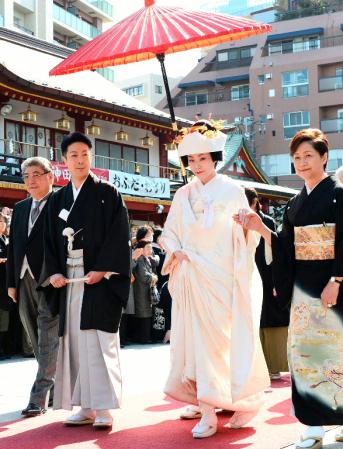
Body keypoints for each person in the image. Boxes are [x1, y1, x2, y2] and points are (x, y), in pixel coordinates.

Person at [234, 128, 343, 449]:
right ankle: (313, 425)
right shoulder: (295, 203)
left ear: (324, 157)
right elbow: (285, 246)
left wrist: (337, 280)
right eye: (296, 157)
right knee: (304, 355)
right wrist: (261, 228)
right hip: (302, 288)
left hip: (333, 284)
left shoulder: (339, 194)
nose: (302, 162)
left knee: (336, 353)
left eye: (309, 155)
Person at [161, 120, 269, 439]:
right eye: (191, 160)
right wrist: (177, 250)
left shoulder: (233, 190)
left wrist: (246, 226)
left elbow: (244, 234)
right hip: (194, 275)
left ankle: (243, 399)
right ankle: (207, 409)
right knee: (197, 345)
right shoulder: (183, 194)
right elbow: (169, 233)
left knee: (226, 343)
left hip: (222, 275)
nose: (196, 166)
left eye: (202, 159)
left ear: (215, 159)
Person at [40, 132, 131, 429]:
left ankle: (104, 407)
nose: (79, 160)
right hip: (70, 278)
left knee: (98, 341)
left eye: (84, 154)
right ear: (64, 161)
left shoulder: (108, 192)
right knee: (76, 342)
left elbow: (118, 234)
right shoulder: (58, 199)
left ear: (92, 157)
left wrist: (104, 269)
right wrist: (53, 271)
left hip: (98, 279)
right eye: (73, 155)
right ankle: (85, 406)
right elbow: (49, 241)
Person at [6, 157, 58, 417]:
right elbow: (14, 246)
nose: (31, 180)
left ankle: (38, 398)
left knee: (47, 337)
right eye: (26, 175)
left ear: (51, 176)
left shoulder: (62, 204)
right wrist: (11, 283)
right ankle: (54, 387)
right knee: (35, 338)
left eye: (37, 174)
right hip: (23, 279)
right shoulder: (20, 207)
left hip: (49, 279)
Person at [244, 188, 289, 380]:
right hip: (246, 273)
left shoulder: (266, 222)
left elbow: (273, 254)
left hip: (266, 274)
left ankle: (273, 366)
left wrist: (275, 280)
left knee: (271, 318)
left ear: (255, 203)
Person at [132, 241, 158, 343]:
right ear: (141, 249)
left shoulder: (146, 259)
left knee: (145, 313)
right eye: (148, 248)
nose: (150, 250)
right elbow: (144, 276)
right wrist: (154, 277)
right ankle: (143, 338)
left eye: (151, 248)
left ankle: (144, 337)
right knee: (143, 313)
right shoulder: (141, 259)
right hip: (141, 290)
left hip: (144, 290)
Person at [0, 213, 12, 360]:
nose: (2, 224)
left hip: (5, 285)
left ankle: (4, 348)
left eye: (4, 222)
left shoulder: (6, 240)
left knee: (5, 319)